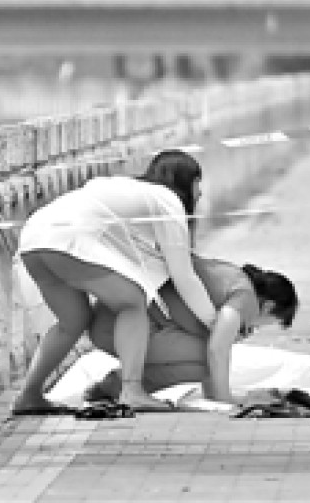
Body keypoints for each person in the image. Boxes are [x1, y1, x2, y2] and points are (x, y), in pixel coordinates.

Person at [11, 150, 218, 415]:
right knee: (132, 301)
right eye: (198, 183)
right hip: (68, 240)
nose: (200, 193)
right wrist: (213, 321)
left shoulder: (123, 188)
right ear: (185, 180)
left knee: (73, 321)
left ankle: (29, 394)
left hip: (33, 238)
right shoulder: (167, 200)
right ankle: (132, 390)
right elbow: (184, 275)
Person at [84, 255, 299, 405]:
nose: (255, 329)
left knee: (206, 362)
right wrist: (227, 401)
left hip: (113, 320)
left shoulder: (231, 277)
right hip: (123, 327)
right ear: (269, 306)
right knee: (208, 358)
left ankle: (119, 385)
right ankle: (117, 386)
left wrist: (216, 394)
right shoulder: (246, 298)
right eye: (267, 323)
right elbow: (217, 350)